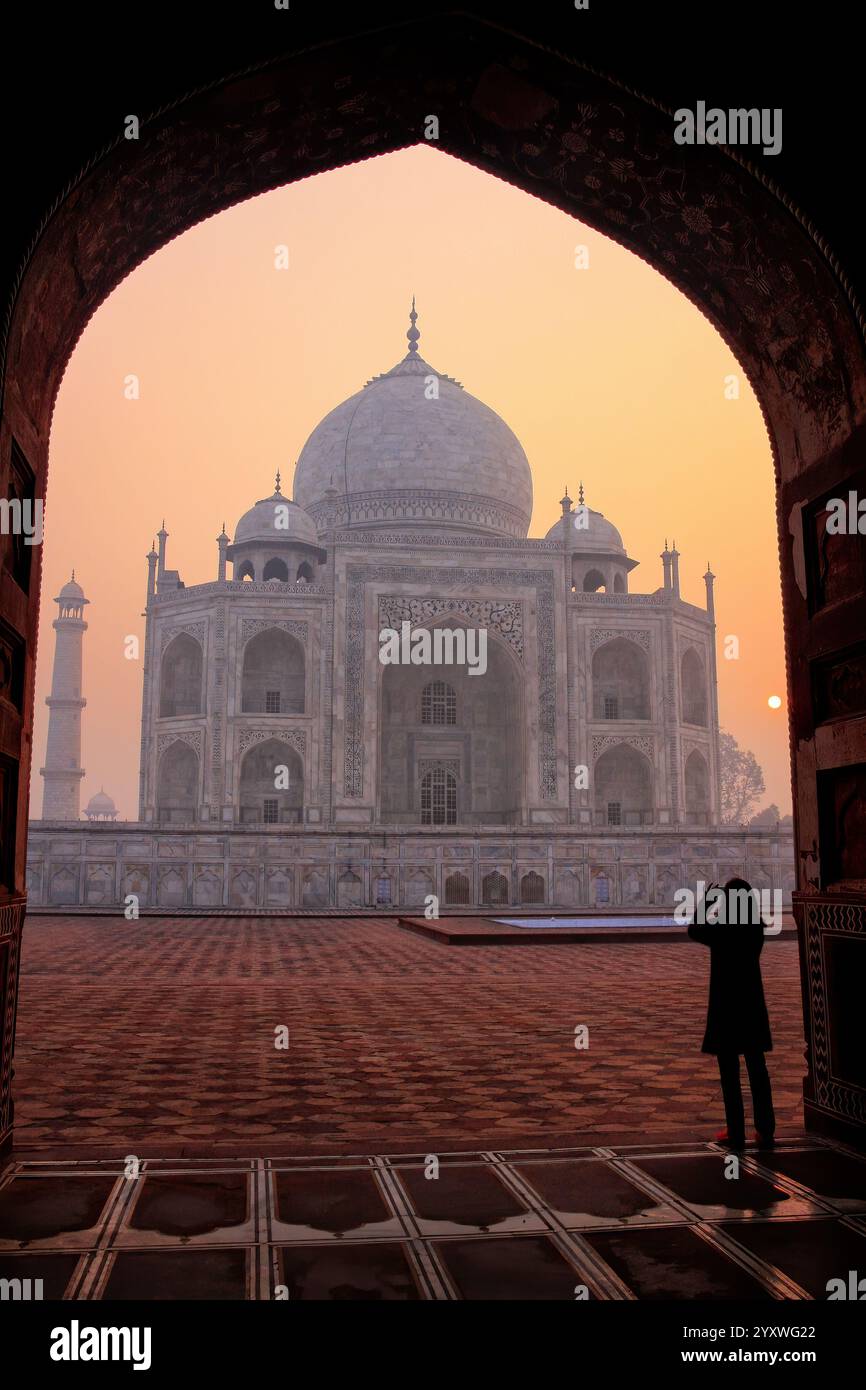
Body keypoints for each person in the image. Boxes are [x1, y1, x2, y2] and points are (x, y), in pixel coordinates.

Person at [687, 877, 775, 1148]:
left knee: (729, 1072)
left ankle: (735, 1131)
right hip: (751, 1005)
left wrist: (706, 903)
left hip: (727, 1006)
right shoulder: (754, 929)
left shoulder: (722, 930)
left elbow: (695, 929)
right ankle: (765, 1130)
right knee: (757, 1068)